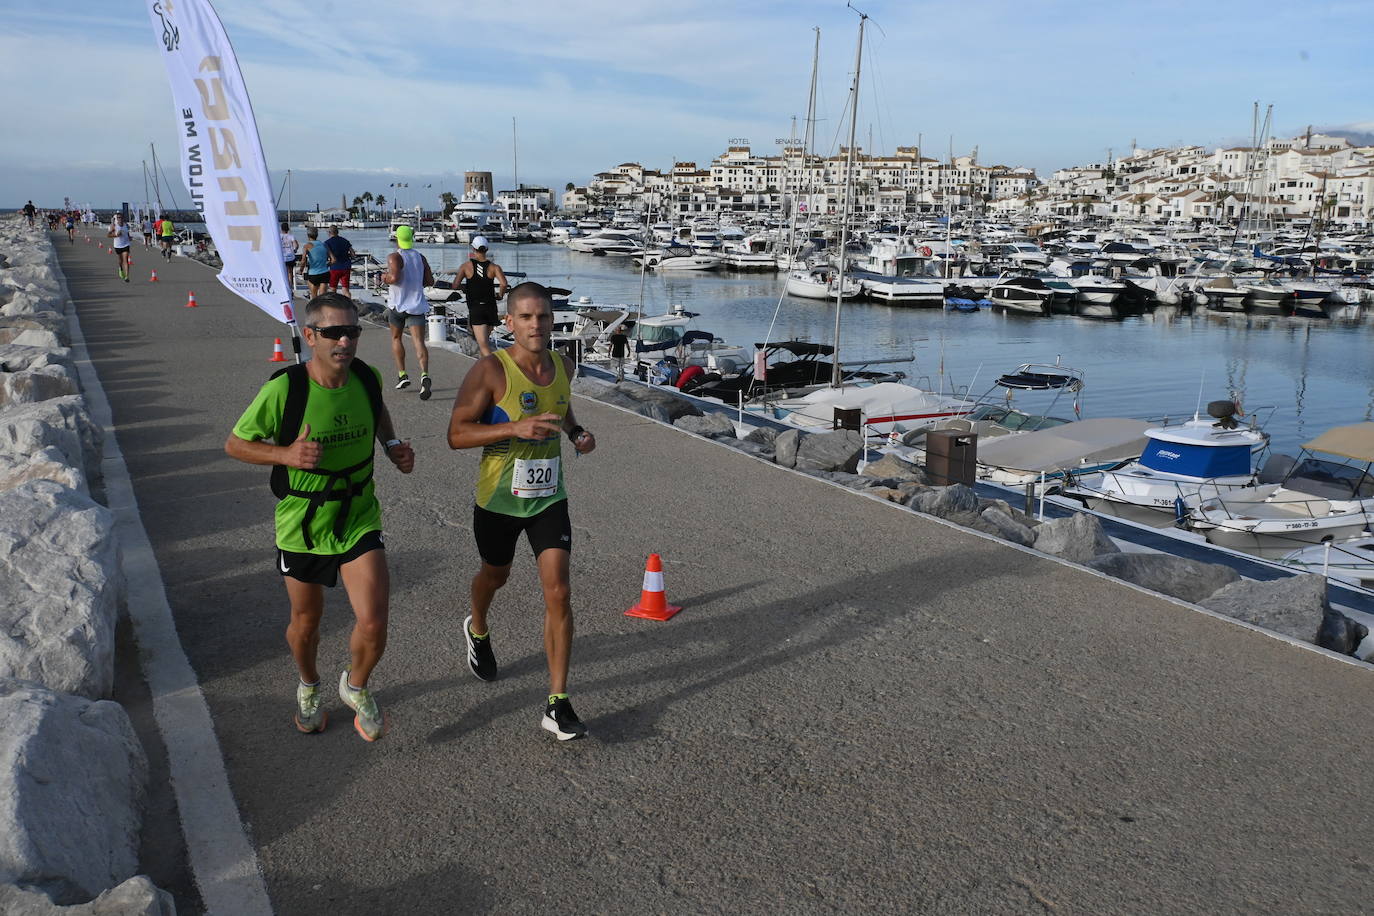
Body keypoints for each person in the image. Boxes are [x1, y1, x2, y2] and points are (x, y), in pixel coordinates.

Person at [225, 292, 415, 741]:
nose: (345, 341)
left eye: (351, 331)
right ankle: (308, 685)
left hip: (358, 513)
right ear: (310, 336)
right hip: (303, 522)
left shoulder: (366, 377)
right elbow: (235, 444)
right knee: (306, 624)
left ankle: (355, 684)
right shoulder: (285, 389)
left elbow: (378, 410)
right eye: (333, 332)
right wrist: (286, 454)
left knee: (373, 620)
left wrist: (391, 447)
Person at [447, 282, 595, 741]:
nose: (536, 325)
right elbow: (456, 434)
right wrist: (514, 427)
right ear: (508, 322)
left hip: (549, 498)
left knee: (559, 591)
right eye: (526, 317)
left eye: (544, 317)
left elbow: (563, 410)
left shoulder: (564, 365)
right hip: (498, 501)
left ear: (554, 320)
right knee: (496, 575)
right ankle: (479, 626)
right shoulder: (491, 371)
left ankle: (557, 701)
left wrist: (576, 434)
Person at [380, 225, 436, 398]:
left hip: (397, 306)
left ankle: (402, 374)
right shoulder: (420, 257)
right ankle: (424, 375)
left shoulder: (394, 257)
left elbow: (394, 278)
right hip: (417, 306)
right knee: (419, 342)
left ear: (397, 238)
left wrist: (384, 277)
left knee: (396, 338)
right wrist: (416, 281)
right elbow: (429, 281)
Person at [455, 235, 507, 358]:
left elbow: (455, 285)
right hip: (490, 308)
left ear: (473, 249)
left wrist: (466, 288)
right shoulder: (494, 267)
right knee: (485, 342)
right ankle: (485, 369)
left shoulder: (466, 266)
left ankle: (493, 370)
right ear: (487, 249)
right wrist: (500, 295)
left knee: (483, 345)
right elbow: (504, 283)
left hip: (476, 308)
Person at [323, 226, 355, 298]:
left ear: (329, 233)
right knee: (346, 290)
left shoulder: (327, 243)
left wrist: (327, 264)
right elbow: (353, 254)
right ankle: (348, 304)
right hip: (346, 267)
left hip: (335, 268)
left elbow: (326, 256)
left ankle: (334, 305)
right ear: (337, 232)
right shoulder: (345, 240)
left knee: (333, 289)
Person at [300, 227, 330, 298]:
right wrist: (326, 265)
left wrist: (300, 270)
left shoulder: (307, 246)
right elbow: (334, 260)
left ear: (308, 235)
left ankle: (315, 308)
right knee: (323, 297)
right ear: (317, 235)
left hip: (314, 273)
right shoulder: (324, 245)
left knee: (314, 297)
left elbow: (303, 260)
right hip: (324, 273)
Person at [107, 214, 132, 282]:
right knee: (120, 261)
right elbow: (108, 235)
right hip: (117, 245)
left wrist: (129, 237)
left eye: (121, 217)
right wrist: (116, 235)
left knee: (126, 260)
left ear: (123, 218)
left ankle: (127, 276)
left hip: (126, 244)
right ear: (116, 219)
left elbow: (127, 233)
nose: (120, 219)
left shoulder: (126, 225)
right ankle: (120, 269)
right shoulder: (114, 226)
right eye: (118, 218)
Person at [280, 222, 300, 290]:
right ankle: (290, 287)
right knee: (290, 272)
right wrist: (295, 250)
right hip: (290, 257)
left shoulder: (278, 236)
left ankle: (283, 286)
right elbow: (296, 245)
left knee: (283, 272)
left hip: (282, 257)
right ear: (288, 229)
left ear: (281, 229)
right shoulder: (291, 236)